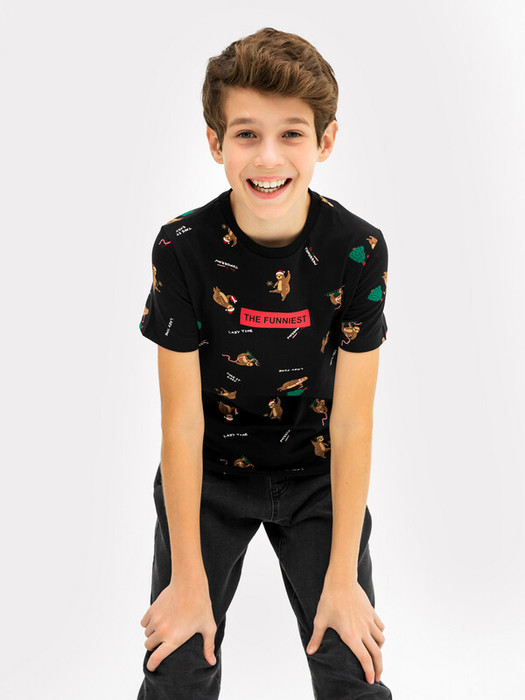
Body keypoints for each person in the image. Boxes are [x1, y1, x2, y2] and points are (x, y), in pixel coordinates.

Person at [136, 26, 393, 699]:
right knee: (177, 662)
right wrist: (186, 579)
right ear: (215, 142)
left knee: (351, 660)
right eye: (246, 134)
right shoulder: (181, 248)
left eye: (291, 134)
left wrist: (343, 578)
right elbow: (180, 422)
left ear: (325, 142)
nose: (269, 156)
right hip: (210, 474)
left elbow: (353, 422)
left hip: (315, 475)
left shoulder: (358, 250)